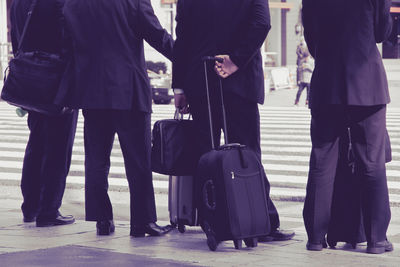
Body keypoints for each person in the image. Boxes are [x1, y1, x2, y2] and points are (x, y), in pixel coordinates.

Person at [172, 0, 294, 241]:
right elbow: (261, 23)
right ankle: (259, 222)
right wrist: (235, 61)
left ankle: (212, 221)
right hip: (239, 82)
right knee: (246, 154)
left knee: (205, 154)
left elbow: (182, 37)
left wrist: (179, 86)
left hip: (200, 80)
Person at [56, 0, 174, 236]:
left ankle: (102, 220)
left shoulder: (73, 4)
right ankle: (142, 221)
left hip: (90, 90)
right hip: (127, 90)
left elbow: (67, 47)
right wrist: (186, 56)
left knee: (97, 159)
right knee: (138, 160)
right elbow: (157, 36)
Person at [302, 0, 393, 253]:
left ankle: (316, 237)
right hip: (366, 83)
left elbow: (312, 38)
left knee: (322, 160)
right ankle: (376, 239)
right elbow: (381, 32)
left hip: (327, 81)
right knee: (371, 160)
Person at [9, 0, 78, 227]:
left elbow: (17, 37)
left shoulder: (19, 3)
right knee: (59, 146)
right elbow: (69, 38)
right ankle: (49, 209)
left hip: (31, 78)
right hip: (57, 82)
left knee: (36, 141)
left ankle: (30, 206)